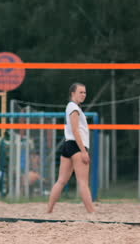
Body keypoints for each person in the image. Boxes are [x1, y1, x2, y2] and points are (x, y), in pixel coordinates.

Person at [47, 83, 95, 213]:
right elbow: (75, 130)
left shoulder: (72, 107)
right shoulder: (74, 108)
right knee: (83, 182)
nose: (83, 95)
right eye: (81, 92)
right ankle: (92, 212)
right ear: (72, 93)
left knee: (61, 181)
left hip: (68, 145)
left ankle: (49, 211)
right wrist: (84, 151)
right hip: (76, 145)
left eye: (85, 92)